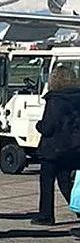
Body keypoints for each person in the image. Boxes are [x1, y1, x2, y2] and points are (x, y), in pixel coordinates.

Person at [35, 65, 80, 226]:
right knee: (66, 181)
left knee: (47, 181)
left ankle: (46, 215)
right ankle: (78, 209)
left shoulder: (55, 99)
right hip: (74, 147)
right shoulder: (77, 97)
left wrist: (38, 125)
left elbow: (48, 126)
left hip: (53, 148)